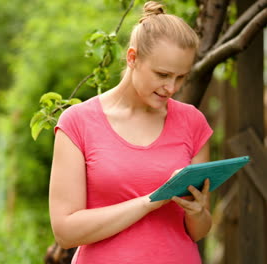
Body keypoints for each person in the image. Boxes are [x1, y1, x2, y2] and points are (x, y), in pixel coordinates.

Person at [48, 1, 213, 263]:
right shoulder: (77, 122)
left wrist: (197, 212)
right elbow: (66, 232)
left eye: (181, 77)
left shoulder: (193, 123)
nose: (171, 87)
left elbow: (199, 231)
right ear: (132, 58)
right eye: (162, 74)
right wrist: (149, 202)